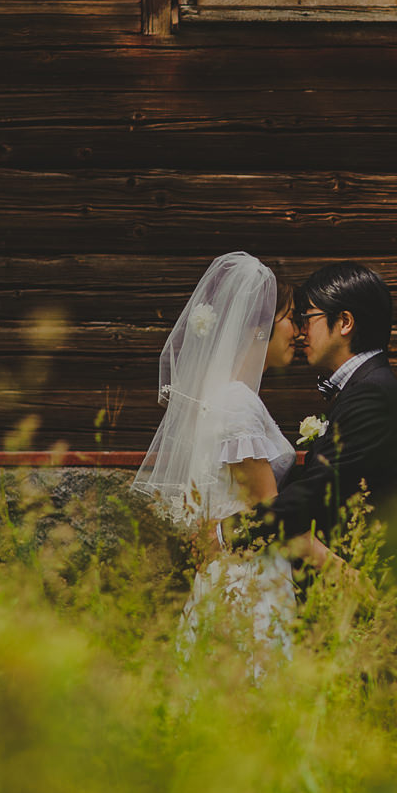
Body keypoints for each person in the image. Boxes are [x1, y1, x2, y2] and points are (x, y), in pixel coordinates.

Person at [130, 252, 305, 669]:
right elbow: (270, 512)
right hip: (252, 574)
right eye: (291, 318)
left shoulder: (220, 397)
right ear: (260, 324)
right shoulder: (236, 404)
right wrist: (336, 566)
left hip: (231, 565)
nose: (297, 332)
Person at [254, 262, 397, 558]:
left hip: (361, 574)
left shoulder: (372, 394)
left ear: (344, 322)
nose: (302, 332)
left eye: (309, 318)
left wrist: (232, 531)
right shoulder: (364, 385)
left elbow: (318, 491)